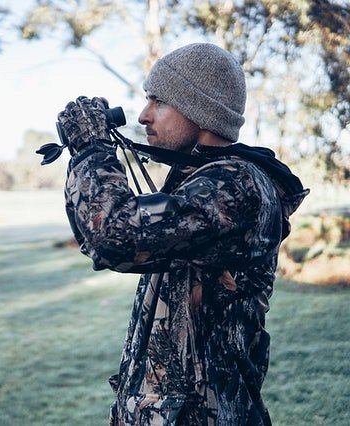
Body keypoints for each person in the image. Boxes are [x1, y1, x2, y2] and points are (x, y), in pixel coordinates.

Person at [56, 43, 309, 425]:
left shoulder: (235, 186)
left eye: (159, 102)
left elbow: (115, 236)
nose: (142, 116)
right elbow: (98, 236)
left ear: (200, 111)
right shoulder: (198, 181)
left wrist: (91, 147)